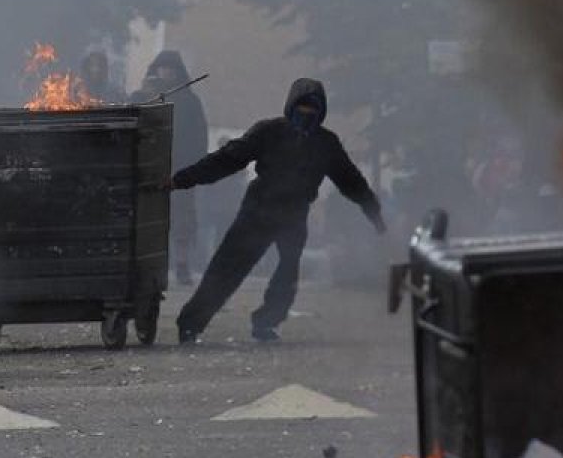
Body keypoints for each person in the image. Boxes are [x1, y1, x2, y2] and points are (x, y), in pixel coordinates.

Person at [164, 78, 386, 343]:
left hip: (294, 214)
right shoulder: (268, 131)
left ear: (321, 111)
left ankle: (267, 323)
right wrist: (182, 179)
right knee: (227, 268)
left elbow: (352, 181)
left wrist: (373, 212)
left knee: (287, 272)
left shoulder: (326, 143)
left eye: (312, 109)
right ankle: (190, 324)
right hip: (258, 210)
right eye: (301, 107)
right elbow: (226, 159)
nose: (306, 114)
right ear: (291, 106)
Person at [131, 51, 209, 285]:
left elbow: (199, 135)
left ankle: (182, 266)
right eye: (163, 68)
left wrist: (198, 166)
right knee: (148, 218)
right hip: (149, 168)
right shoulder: (144, 96)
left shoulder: (189, 101)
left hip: (180, 168)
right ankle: (148, 267)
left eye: (171, 69)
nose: (167, 73)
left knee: (182, 220)